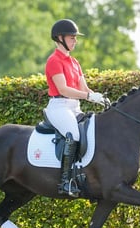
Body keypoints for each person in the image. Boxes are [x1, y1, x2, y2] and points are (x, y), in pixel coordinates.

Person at [44, 19, 105, 197]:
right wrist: (87, 96)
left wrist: (98, 98)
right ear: (60, 38)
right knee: (74, 134)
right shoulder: (54, 61)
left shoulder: (75, 62)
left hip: (74, 107)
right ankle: (65, 181)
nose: (75, 41)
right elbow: (63, 89)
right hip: (59, 107)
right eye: (72, 37)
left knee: (91, 131)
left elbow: (84, 89)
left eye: (75, 38)